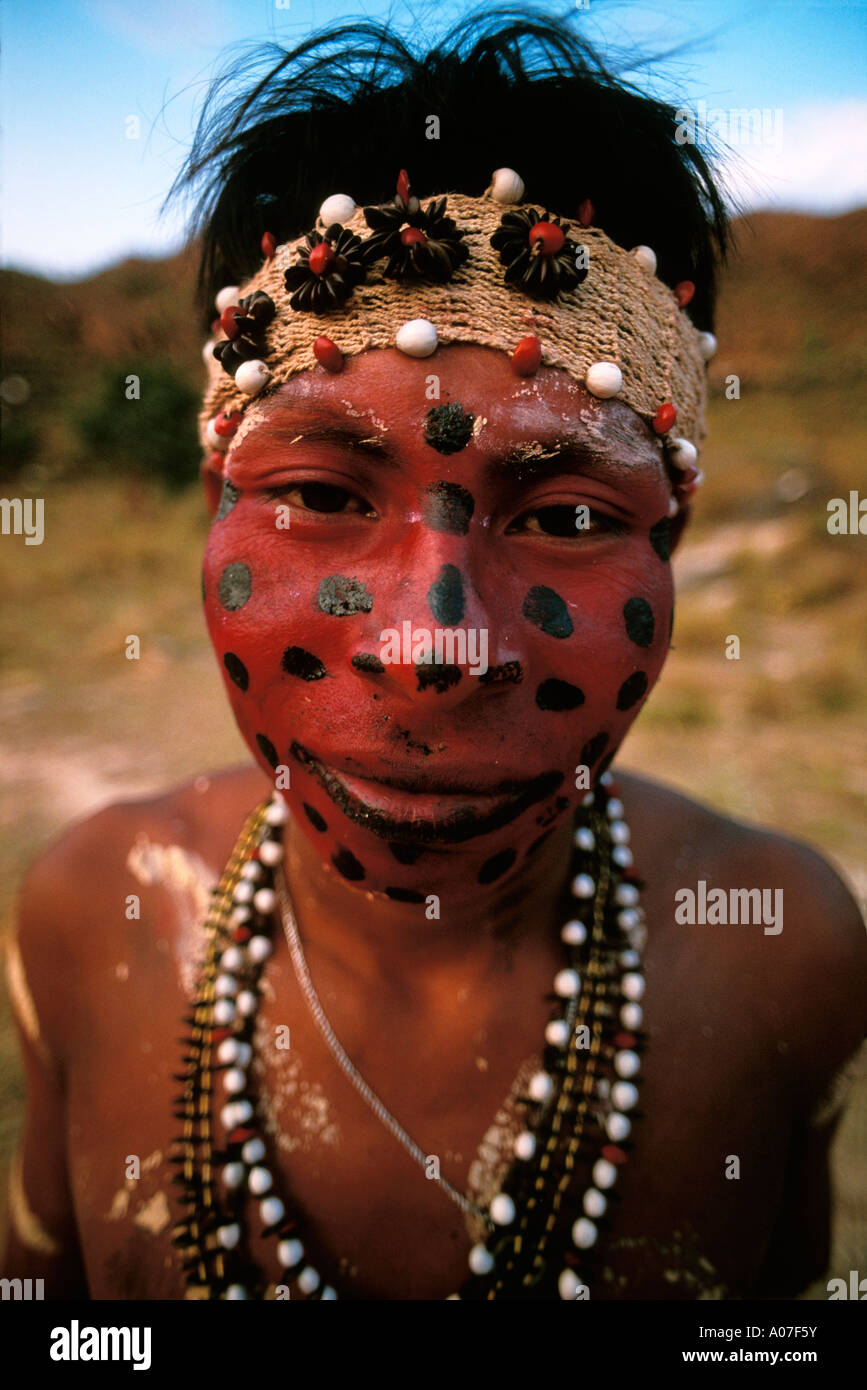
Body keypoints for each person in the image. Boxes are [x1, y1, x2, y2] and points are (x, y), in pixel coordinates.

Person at [3, 9, 865, 1302]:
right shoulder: (86, 917)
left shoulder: (778, 949)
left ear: (671, 540)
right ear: (211, 503)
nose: (434, 642)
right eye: (324, 492)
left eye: (569, 517)